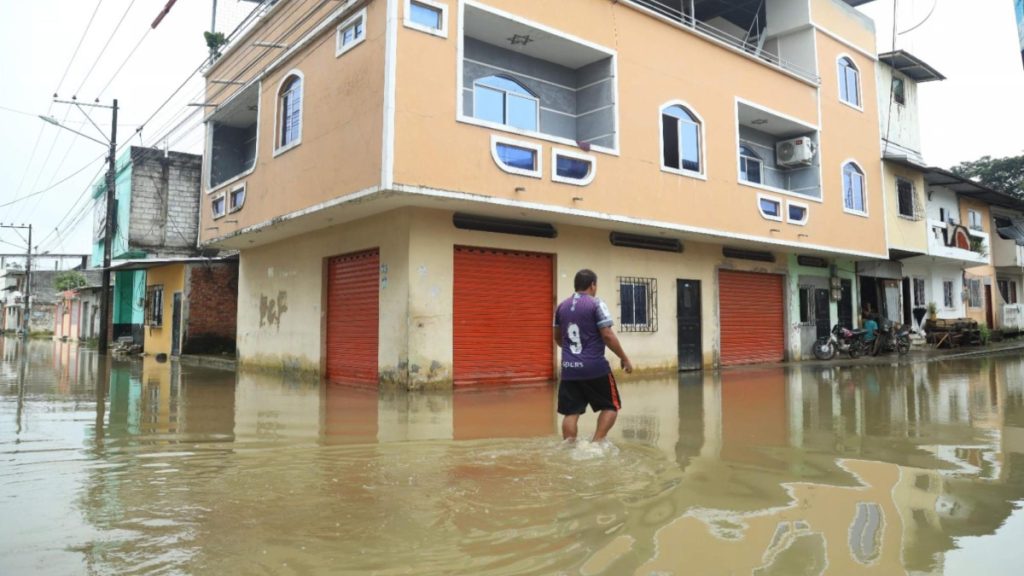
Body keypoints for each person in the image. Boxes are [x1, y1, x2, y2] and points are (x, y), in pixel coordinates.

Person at [553, 269, 633, 444]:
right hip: (595, 368)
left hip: (569, 369)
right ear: (593, 285)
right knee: (611, 406)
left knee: (571, 412)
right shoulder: (596, 304)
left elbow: (557, 337)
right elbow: (607, 335)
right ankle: (596, 443)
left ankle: (569, 448)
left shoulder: (561, 307)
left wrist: (573, 356)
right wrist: (624, 358)